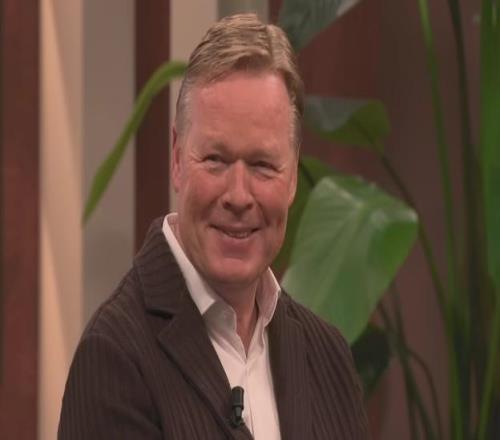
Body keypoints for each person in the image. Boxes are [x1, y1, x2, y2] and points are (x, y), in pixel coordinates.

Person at [58, 13, 368, 440]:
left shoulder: (327, 355)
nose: (238, 196)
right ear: (177, 158)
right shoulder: (114, 357)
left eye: (262, 165)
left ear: (293, 175)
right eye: (216, 160)